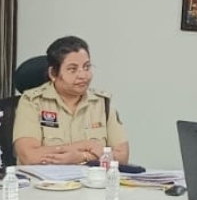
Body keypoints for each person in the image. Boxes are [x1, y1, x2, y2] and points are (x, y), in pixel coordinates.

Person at [13, 36, 129, 165]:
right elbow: (29, 156)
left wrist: (83, 156)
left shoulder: (102, 103)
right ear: (53, 73)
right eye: (72, 69)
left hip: (92, 177)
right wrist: (84, 145)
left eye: (86, 67)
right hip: (47, 178)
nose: (83, 75)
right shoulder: (32, 101)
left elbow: (122, 156)